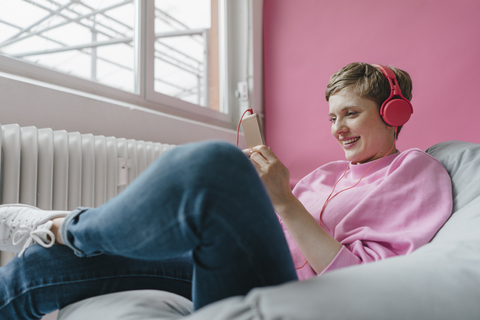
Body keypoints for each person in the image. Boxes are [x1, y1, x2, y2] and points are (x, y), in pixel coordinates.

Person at [0, 62, 453, 319]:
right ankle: (60, 237)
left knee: (217, 162)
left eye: (351, 114)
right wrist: (255, 200)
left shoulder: (417, 173)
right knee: (41, 267)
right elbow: (275, 226)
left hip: (292, 290)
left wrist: (283, 199)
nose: (338, 129)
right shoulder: (328, 174)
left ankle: (66, 225)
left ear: (393, 112)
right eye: (332, 117)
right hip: (237, 263)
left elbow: (360, 278)